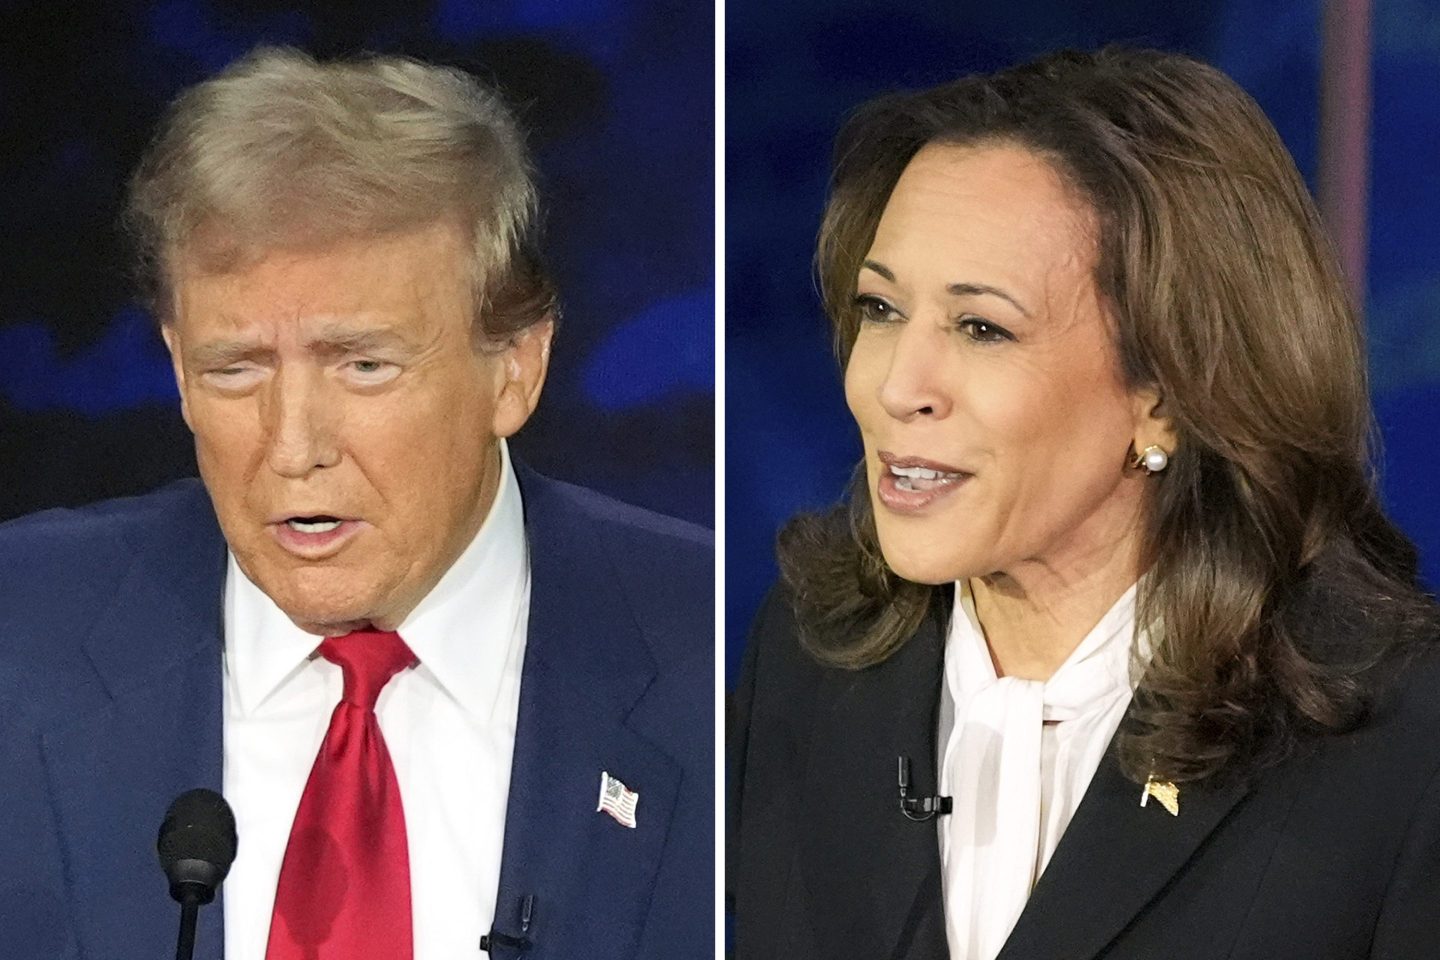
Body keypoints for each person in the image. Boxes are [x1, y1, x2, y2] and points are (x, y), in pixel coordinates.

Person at [0, 47, 712, 960]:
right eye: (235, 369)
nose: (293, 447)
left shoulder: (713, 654)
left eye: (364, 365)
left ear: (515, 368)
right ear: (177, 367)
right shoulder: (20, 634)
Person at [729, 47, 1440, 960]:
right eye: (880, 310)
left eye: (981, 327)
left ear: (1170, 392)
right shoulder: (804, 656)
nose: (896, 385)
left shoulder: (1397, 744)